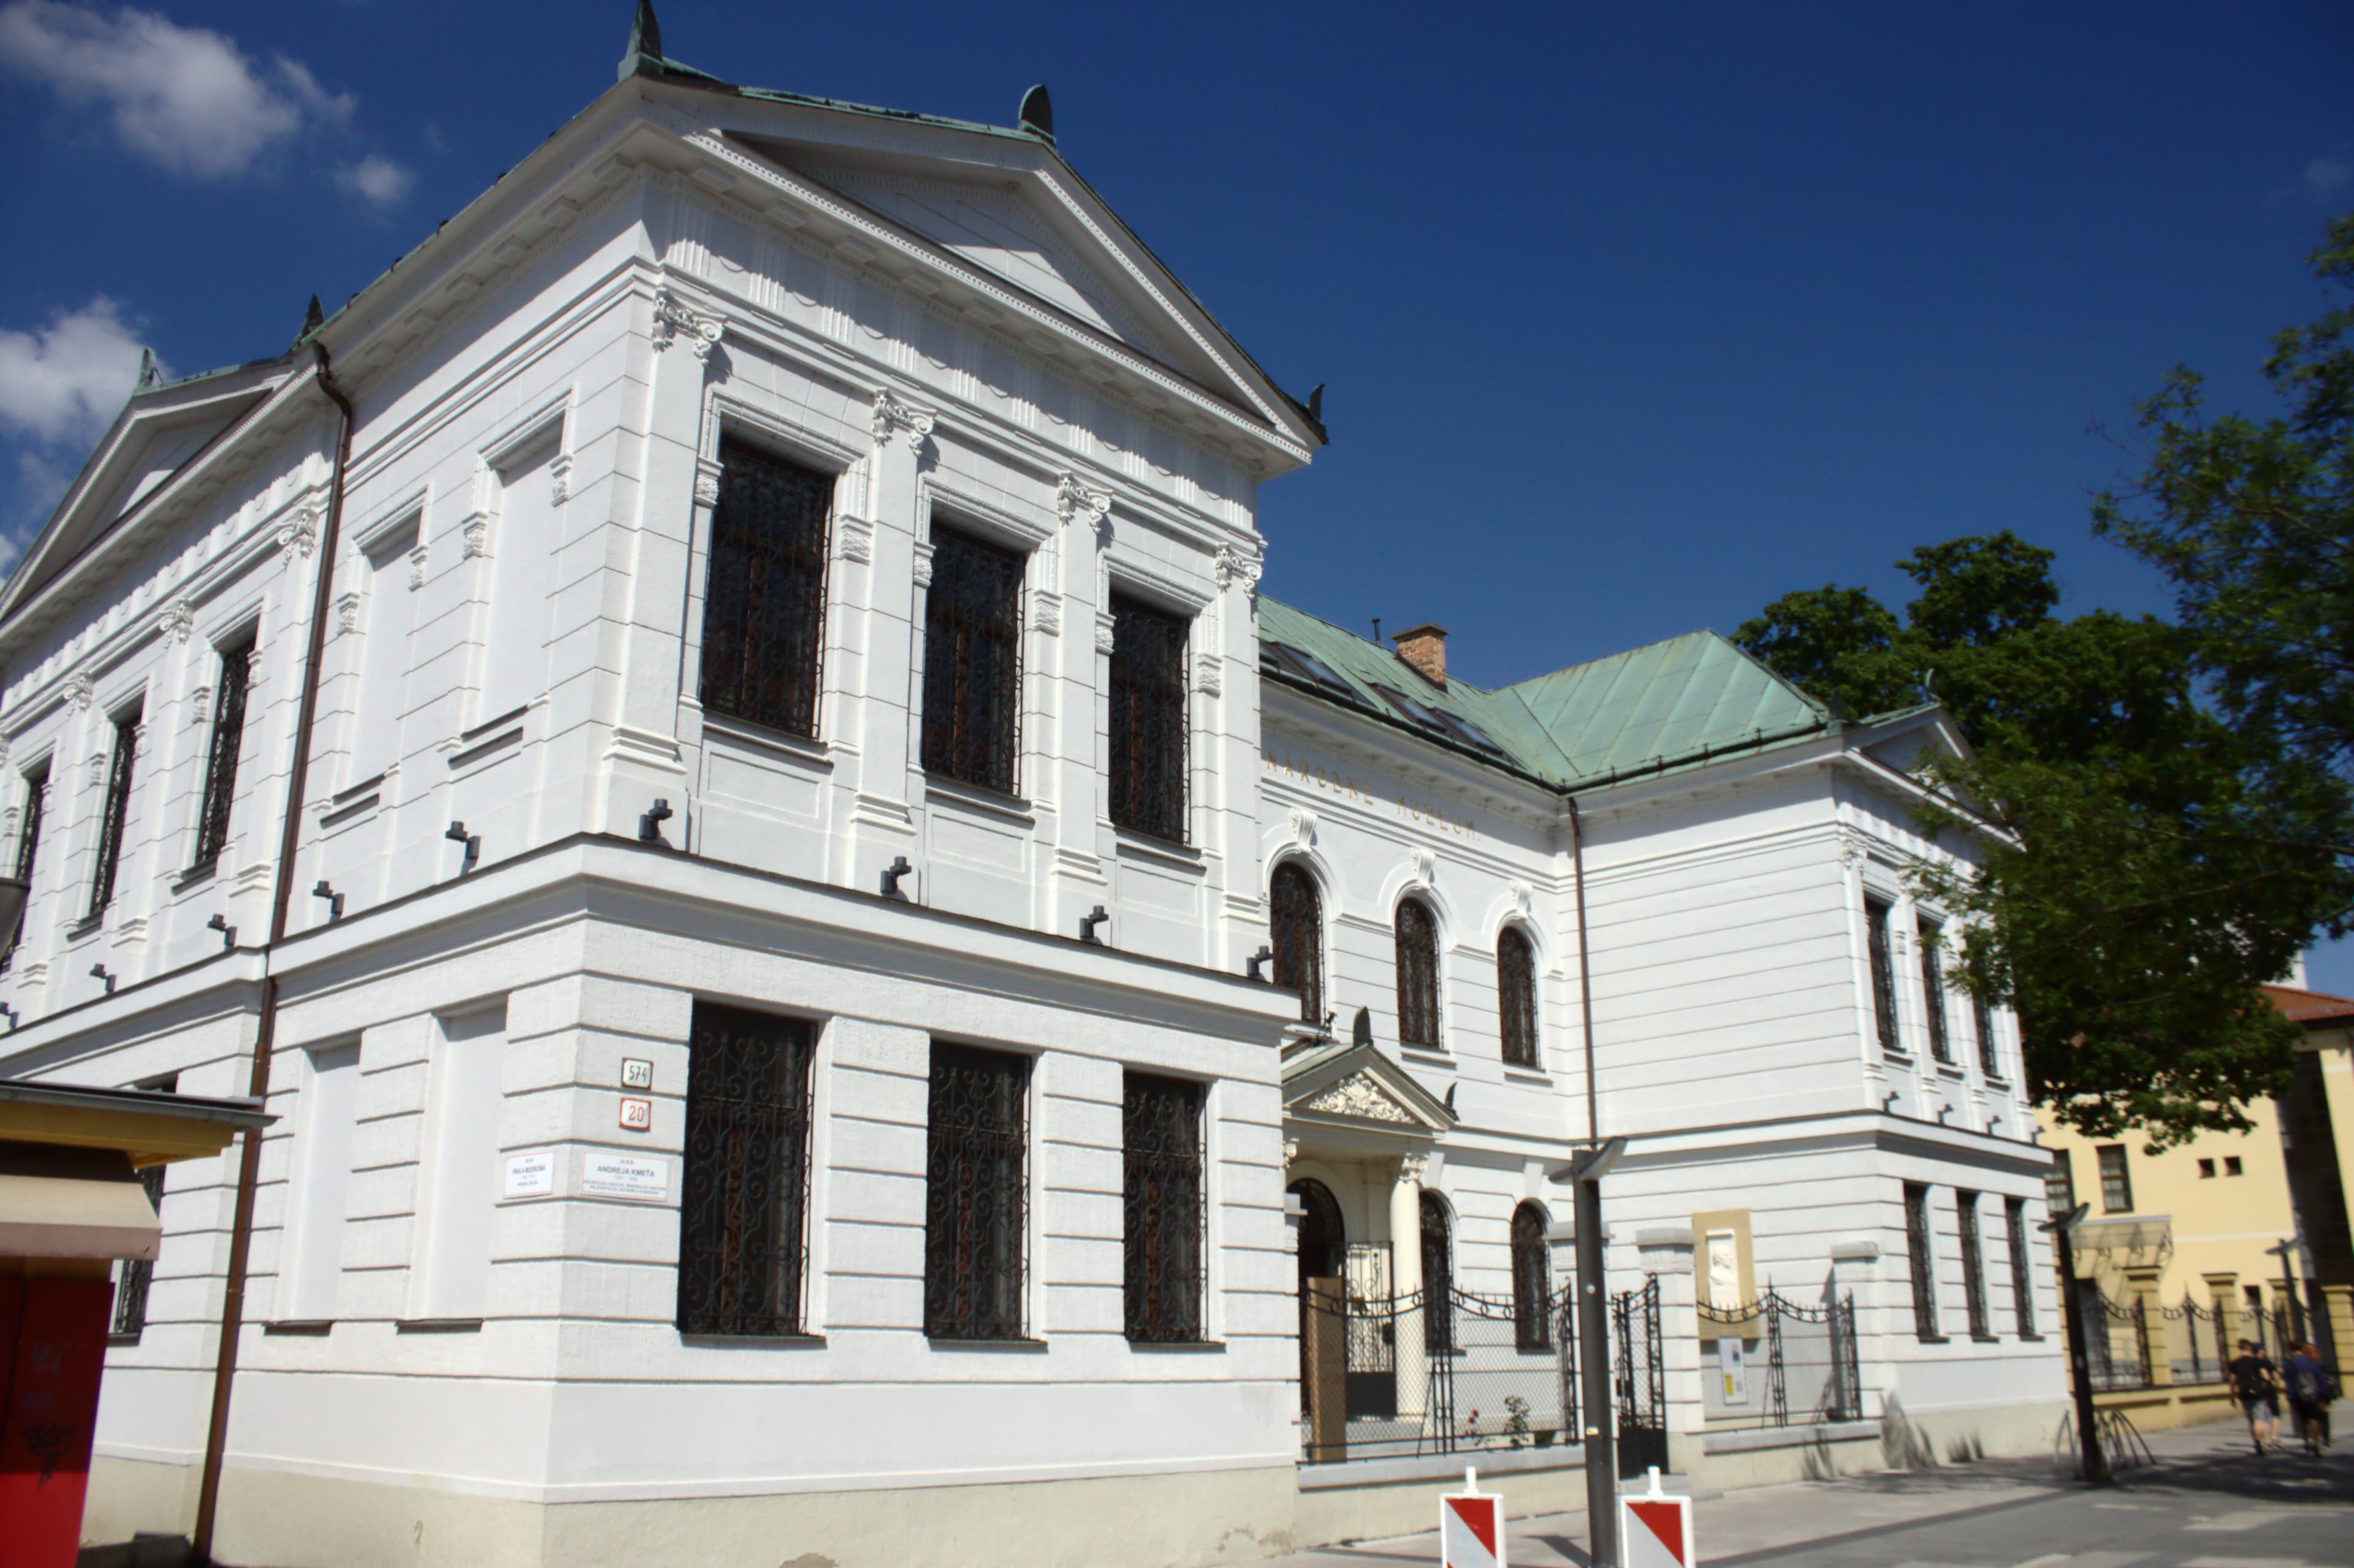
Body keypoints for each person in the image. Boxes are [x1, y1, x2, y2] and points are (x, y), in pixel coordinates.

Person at [2228, 1338, 2282, 1455]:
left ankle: (2256, 1442)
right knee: (2259, 1419)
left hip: (2243, 1393)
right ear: (2250, 1348)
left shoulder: (2234, 1363)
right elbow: (2266, 1377)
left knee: (2251, 1419)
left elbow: (2232, 1381)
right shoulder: (2257, 1361)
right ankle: (2260, 1443)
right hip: (2258, 1393)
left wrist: (2232, 1395)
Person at [2282, 1341, 2336, 1456]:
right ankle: (2315, 1441)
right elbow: (2320, 1380)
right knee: (2314, 1419)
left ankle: (2306, 1441)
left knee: (2303, 1420)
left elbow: (2288, 1381)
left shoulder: (2288, 1364)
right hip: (2313, 1394)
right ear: (2302, 1350)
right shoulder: (2311, 1362)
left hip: (2297, 1396)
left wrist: (2291, 1396)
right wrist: (2324, 1396)